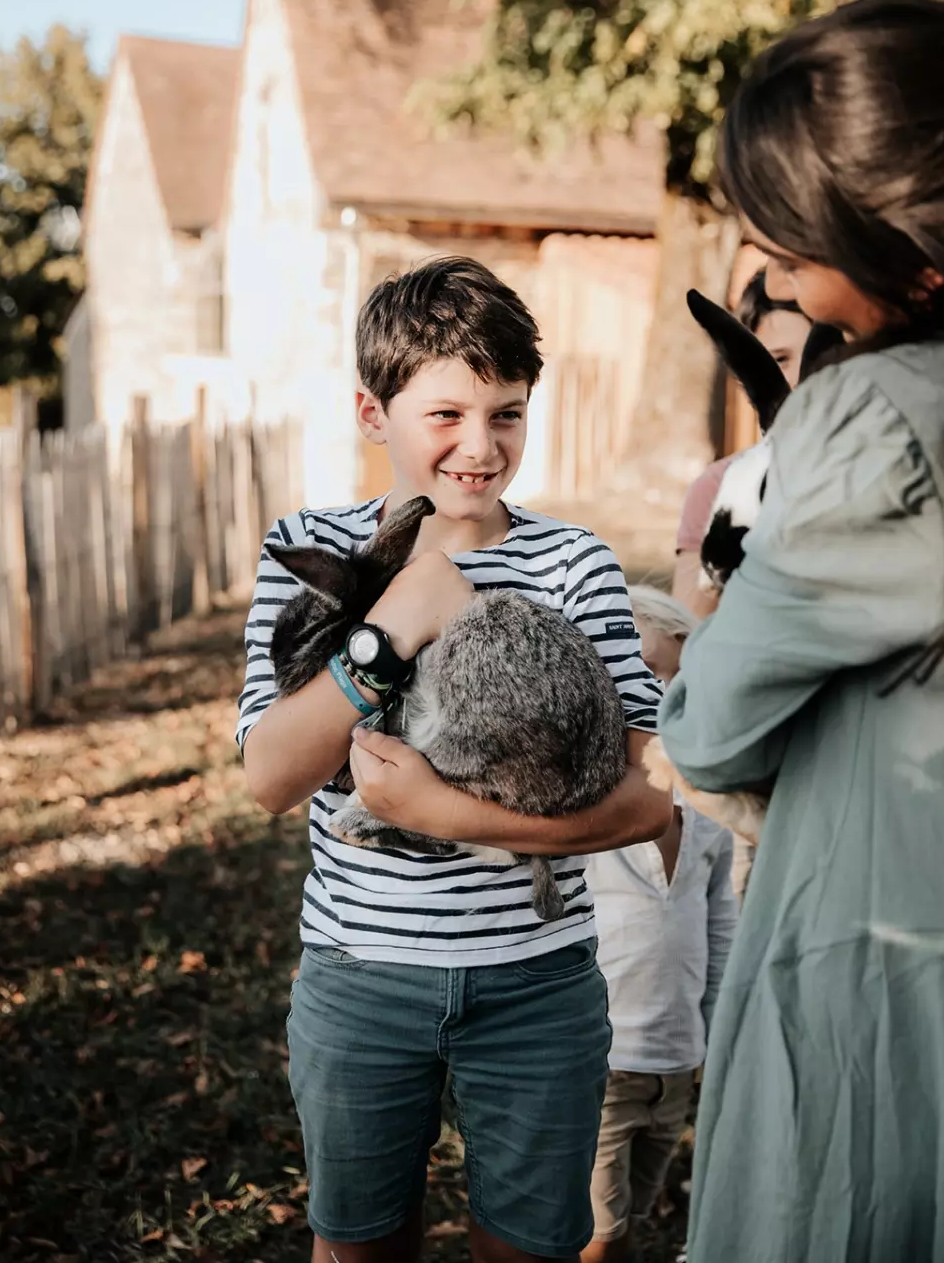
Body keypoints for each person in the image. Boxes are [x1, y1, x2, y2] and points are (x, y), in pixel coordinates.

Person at [237, 256, 671, 1263]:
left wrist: (447, 815)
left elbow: (650, 788)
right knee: (357, 1244)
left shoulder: (575, 563)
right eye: (446, 415)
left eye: (506, 415)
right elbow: (270, 777)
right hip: (360, 976)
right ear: (371, 411)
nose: (480, 449)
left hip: (536, 983)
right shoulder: (307, 545)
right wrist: (390, 626)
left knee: (525, 1245)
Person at [658, 0, 944, 1263]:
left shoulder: (869, 422)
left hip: (881, 954)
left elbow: (716, 732)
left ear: (905, 246)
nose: (771, 273)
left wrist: (695, 640)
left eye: (787, 238)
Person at [583, 587, 737, 1263]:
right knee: (597, 1233)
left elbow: (720, 927)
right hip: (602, 1065)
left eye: (676, 678)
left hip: (678, 1060)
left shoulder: (707, 811)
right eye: (642, 679)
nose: (662, 698)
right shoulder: (585, 811)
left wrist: (714, 1030)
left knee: (637, 1213)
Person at [672, 270, 812, 620]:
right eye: (778, 361)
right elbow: (691, 628)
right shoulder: (722, 485)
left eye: (816, 359)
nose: (797, 379)